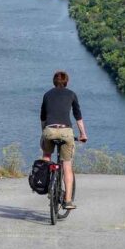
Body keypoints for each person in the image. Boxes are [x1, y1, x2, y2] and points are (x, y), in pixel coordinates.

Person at [40, 70, 87, 209]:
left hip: (49, 130)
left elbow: (43, 117)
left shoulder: (47, 95)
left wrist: (44, 133)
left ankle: (47, 182)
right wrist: (83, 134)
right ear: (66, 82)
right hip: (66, 132)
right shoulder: (71, 94)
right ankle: (67, 201)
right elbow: (78, 117)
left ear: (54, 82)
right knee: (67, 166)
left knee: (47, 155)